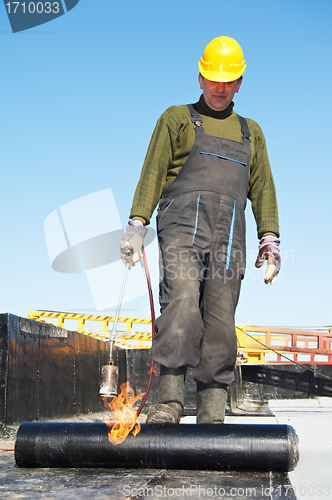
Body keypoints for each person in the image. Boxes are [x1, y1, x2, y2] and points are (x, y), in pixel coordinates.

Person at [120, 36, 280, 425]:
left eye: (229, 80)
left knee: (222, 321)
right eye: (213, 78)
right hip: (181, 227)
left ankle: (211, 413)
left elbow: (263, 187)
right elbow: (153, 172)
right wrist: (136, 225)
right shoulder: (176, 118)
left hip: (230, 238)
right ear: (200, 77)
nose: (220, 87)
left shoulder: (250, 132)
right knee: (182, 304)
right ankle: (170, 403)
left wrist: (270, 239)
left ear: (240, 82)